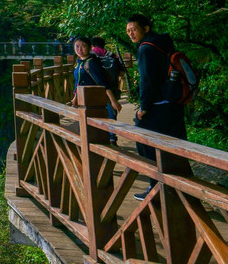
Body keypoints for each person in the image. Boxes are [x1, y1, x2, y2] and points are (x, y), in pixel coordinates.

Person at [126, 13, 189, 199]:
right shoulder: (163, 43)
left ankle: (156, 188)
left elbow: (148, 81)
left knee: (144, 141)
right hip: (174, 103)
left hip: (158, 107)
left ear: (146, 28)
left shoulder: (146, 48)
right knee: (176, 145)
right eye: (128, 31)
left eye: (134, 29)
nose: (131, 34)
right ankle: (181, 189)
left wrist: (143, 108)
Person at [69, 36, 122, 142]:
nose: (80, 49)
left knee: (100, 127)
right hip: (86, 101)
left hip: (96, 100)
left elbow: (103, 83)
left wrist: (113, 101)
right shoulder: (79, 61)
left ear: (90, 47)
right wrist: (75, 97)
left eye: (83, 46)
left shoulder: (92, 62)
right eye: (77, 46)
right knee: (88, 128)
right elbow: (78, 82)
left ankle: (110, 142)